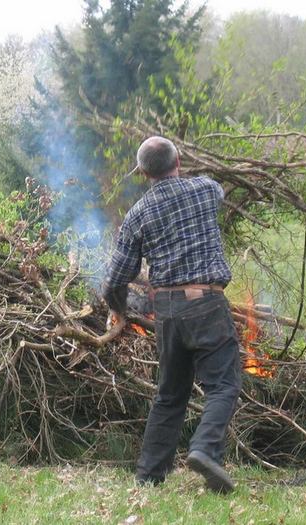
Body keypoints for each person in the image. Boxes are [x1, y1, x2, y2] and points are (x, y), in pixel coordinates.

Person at [102, 136, 241, 494]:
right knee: (222, 385)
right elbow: (216, 190)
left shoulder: (137, 215)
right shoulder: (205, 190)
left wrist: (119, 311)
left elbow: (114, 280)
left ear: (143, 173)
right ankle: (204, 450)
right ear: (178, 161)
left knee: (169, 394)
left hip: (166, 312)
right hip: (206, 303)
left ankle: (149, 476)